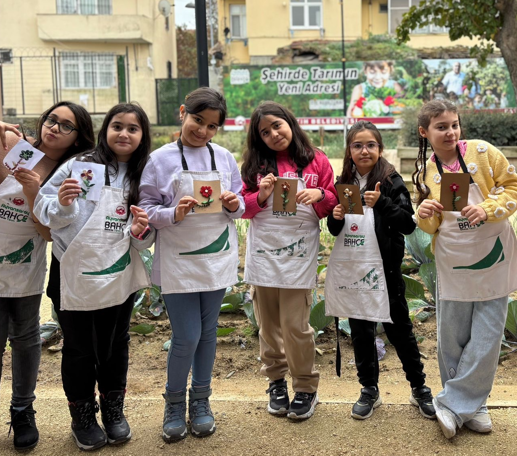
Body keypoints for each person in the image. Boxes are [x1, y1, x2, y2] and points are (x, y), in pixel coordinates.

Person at [0, 102, 94, 450]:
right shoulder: (3, 144)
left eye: (66, 126)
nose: (54, 128)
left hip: (24, 265)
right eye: (52, 119)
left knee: (25, 337)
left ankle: (23, 411)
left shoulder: (70, 174)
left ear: (77, 139)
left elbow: (51, 233)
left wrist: (32, 192)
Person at [34, 103, 153, 451]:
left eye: (133, 128)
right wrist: (63, 203)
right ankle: (82, 416)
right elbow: (43, 208)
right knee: (79, 349)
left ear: (142, 136)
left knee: (115, 344)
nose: (124, 134)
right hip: (72, 273)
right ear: (105, 131)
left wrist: (141, 230)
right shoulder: (80, 165)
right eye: (117, 126)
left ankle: (114, 412)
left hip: (117, 275)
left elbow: (144, 237)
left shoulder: (142, 175)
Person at [138, 88, 244, 442]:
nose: (203, 130)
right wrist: (173, 213)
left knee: (209, 333)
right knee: (186, 336)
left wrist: (232, 204)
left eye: (212, 126)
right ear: (183, 112)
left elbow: (241, 202)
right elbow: (147, 207)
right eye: (198, 120)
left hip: (216, 257)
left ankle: (201, 402)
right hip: (179, 259)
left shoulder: (225, 157)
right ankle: (173, 404)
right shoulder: (159, 160)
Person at [413, 99, 517, 439]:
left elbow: (514, 188)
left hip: (493, 253)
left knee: (488, 335)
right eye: (441, 126)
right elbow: (429, 228)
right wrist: (425, 213)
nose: (450, 132)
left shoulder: (483, 152)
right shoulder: (422, 174)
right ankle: (471, 403)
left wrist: (487, 208)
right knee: (452, 335)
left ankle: (458, 403)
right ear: (424, 132)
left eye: (454, 124)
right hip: (453, 259)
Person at [325, 121, 435, 421]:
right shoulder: (344, 180)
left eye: (370, 145)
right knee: (361, 333)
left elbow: (408, 223)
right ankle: (369, 389)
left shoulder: (390, 179)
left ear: (380, 149)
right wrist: (334, 218)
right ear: (349, 150)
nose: (364, 150)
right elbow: (337, 230)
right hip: (354, 270)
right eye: (358, 145)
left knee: (400, 330)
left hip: (385, 272)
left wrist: (382, 202)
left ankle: (419, 388)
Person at [241, 101, 338, 420]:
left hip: (298, 257)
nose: (273, 134)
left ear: (290, 123)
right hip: (264, 257)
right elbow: (241, 207)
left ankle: (306, 387)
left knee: (296, 327)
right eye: (264, 132)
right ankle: (277, 383)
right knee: (268, 327)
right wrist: (262, 195)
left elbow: (333, 203)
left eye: (276, 125)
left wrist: (321, 196)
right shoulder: (255, 166)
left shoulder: (316, 160)